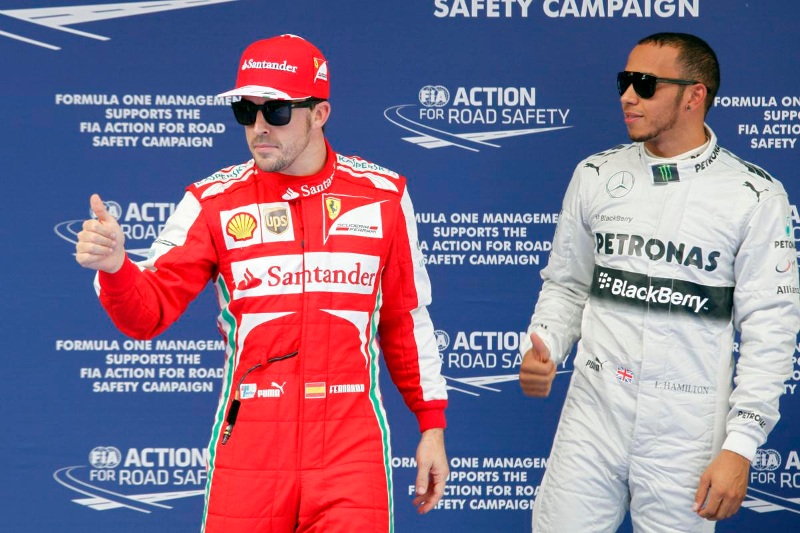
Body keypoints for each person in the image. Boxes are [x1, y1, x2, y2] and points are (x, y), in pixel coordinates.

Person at [75, 34, 449, 533]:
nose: (258, 127)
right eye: (245, 111)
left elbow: (405, 320)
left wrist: (431, 425)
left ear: (320, 114)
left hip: (349, 451)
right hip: (251, 450)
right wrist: (116, 268)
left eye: (276, 110)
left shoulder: (383, 196)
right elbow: (147, 314)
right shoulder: (212, 201)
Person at [518, 32, 800, 532]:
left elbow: (771, 331)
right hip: (593, 414)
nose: (628, 96)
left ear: (695, 95)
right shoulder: (595, 174)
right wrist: (546, 344)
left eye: (645, 84)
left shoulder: (755, 195)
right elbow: (567, 283)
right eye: (624, 82)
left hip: (687, 430)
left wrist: (740, 446)